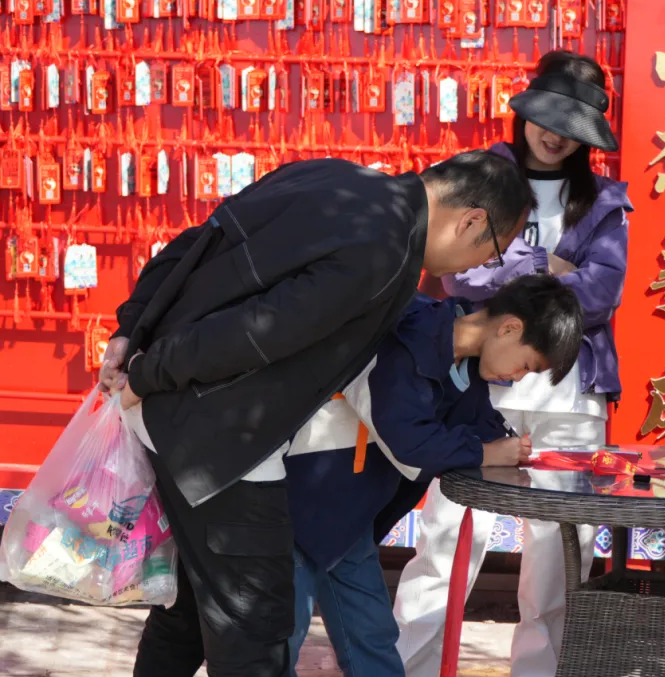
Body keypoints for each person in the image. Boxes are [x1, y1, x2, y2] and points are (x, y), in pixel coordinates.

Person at [97, 151, 535, 677]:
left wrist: (132, 328)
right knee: (257, 631)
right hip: (220, 438)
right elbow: (255, 330)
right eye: (491, 251)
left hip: (180, 409)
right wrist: (148, 374)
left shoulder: (331, 175)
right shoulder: (387, 250)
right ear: (470, 221)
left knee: (190, 610)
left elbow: (200, 240)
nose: (478, 268)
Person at [393, 50, 631, 677]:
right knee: (444, 542)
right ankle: (409, 669)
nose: (555, 135)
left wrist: (510, 268)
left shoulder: (604, 200)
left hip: (572, 398)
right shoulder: (485, 176)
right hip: (478, 387)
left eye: (571, 126)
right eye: (547, 117)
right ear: (525, 111)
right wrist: (549, 267)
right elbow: (460, 274)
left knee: (555, 559)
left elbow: (603, 294)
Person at [284, 275, 584, 677]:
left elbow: (479, 424)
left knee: (373, 642)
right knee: (277, 644)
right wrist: (485, 452)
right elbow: (407, 439)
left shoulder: (465, 363)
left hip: (349, 520)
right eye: (526, 366)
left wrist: (508, 447)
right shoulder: (412, 329)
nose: (517, 377)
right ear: (510, 328)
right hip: (298, 506)